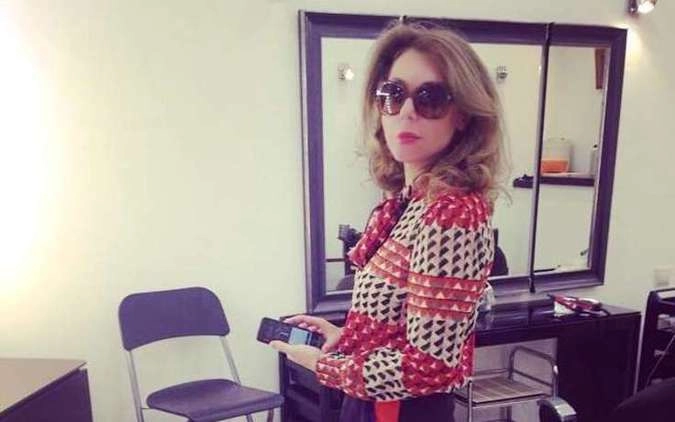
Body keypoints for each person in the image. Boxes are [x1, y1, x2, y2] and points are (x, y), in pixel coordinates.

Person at [271, 19, 504, 422]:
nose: (407, 111)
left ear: (463, 115)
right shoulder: (408, 203)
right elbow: (399, 332)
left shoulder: (451, 214)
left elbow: (430, 366)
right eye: (392, 95)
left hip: (401, 411)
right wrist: (345, 338)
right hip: (374, 402)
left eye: (431, 98)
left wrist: (324, 366)